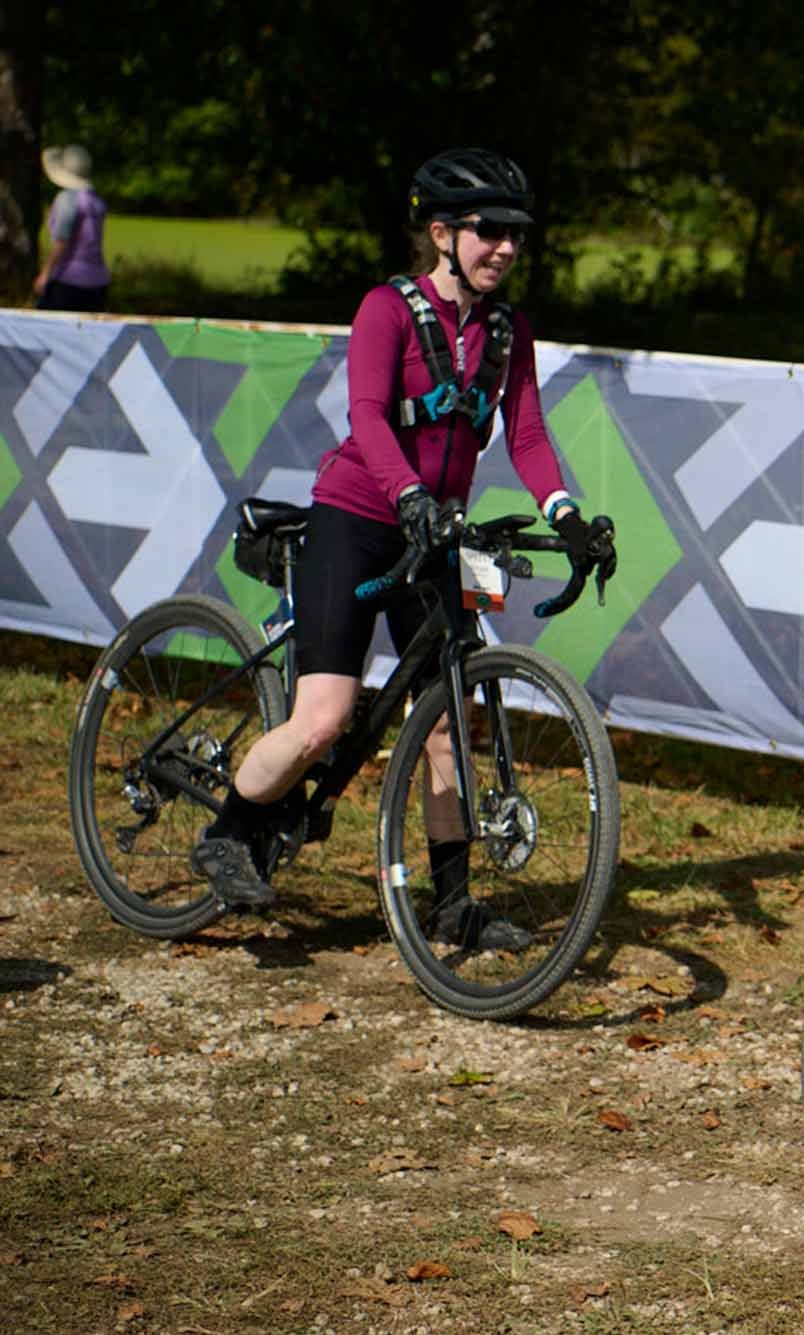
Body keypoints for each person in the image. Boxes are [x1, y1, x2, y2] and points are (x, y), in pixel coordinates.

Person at [187, 148, 602, 953]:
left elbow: (527, 436)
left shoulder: (510, 332)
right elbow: (370, 417)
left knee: (446, 722)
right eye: (491, 232)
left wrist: (566, 512)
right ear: (442, 233)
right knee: (324, 718)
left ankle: (451, 905)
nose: (508, 249)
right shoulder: (387, 308)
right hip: (359, 516)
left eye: (517, 234)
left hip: (434, 528)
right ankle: (228, 833)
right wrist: (408, 495)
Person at [31, 144, 110, 312]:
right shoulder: (96, 201)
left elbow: (61, 240)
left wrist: (45, 274)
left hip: (68, 280)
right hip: (98, 281)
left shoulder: (67, 199)